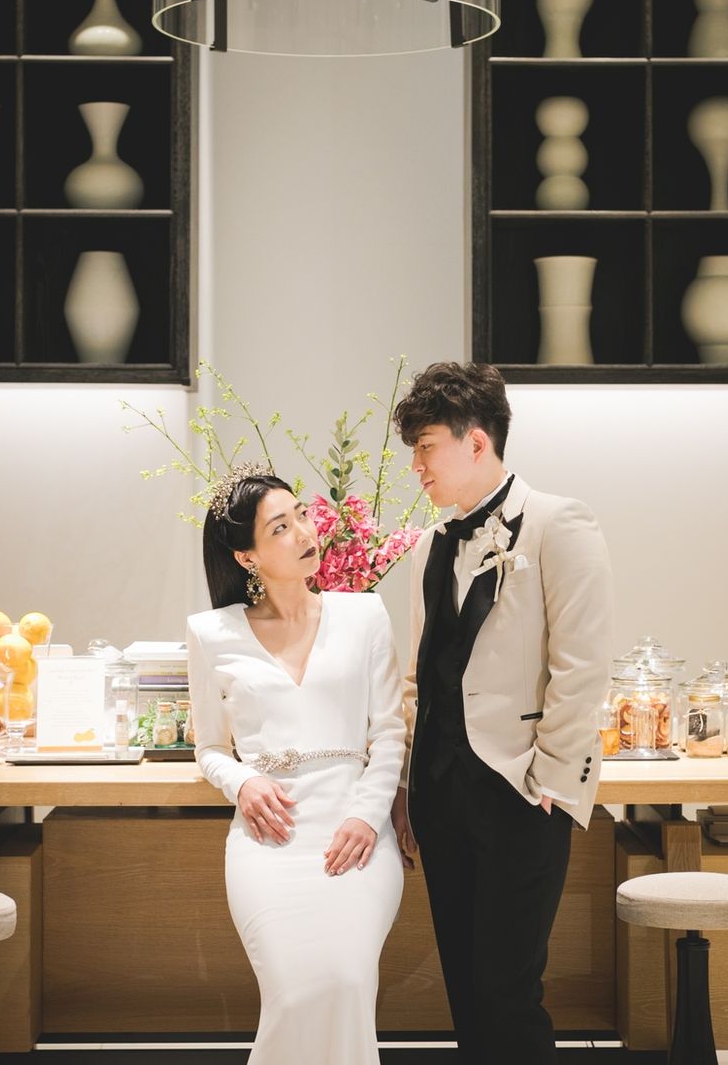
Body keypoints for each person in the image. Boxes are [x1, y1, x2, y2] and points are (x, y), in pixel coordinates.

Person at [390, 361, 614, 1065]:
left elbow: (583, 665)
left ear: (476, 442)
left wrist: (552, 779)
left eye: (426, 447)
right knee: (465, 984)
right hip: (441, 795)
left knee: (508, 988)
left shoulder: (559, 523)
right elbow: (422, 676)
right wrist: (407, 784)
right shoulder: (431, 544)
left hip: (521, 790)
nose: (417, 467)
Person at [186, 463, 406, 1065]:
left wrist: (367, 816)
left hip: (356, 832)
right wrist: (243, 781)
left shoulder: (364, 615)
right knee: (293, 993)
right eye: (280, 527)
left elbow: (390, 732)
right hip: (270, 840)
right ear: (247, 557)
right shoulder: (210, 633)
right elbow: (209, 748)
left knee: (348, 981)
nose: (305, 532)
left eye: (301, 515)